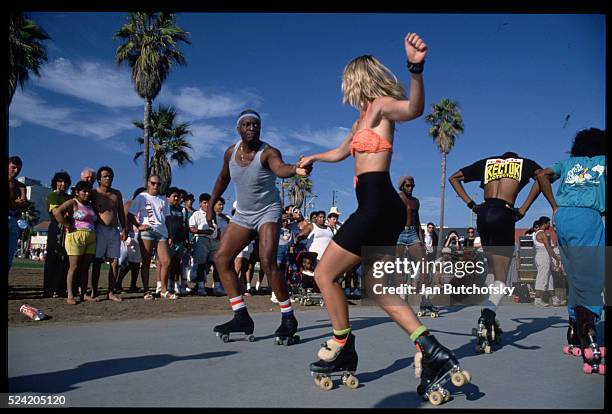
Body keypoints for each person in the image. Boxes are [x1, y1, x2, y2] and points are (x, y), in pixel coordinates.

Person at [298, 33, 469, 399]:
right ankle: (429, 347)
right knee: (377, 286)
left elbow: (414, 109)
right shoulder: (362, 119)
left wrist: (416, 69)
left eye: (347, 80)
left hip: (376, 203)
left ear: (358, 79)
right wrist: (313, 158)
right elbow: (343, 152)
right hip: (380, 205)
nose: (345, 87)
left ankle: (341, 343)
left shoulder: (380, 104)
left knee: (324, 274)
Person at [208, 109, 310, 344]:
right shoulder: (230, 153)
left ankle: (288, 317)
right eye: (247, 125)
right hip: (243, 215)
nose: (252, 128)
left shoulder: (268, 152)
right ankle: (241, 316)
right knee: (221, 259)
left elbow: (280, 168)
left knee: (267, 261)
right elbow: (223, 177)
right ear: (238, 129)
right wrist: (212, 201)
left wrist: (295, 169)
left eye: (256, 125)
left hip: (268, 211)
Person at [449, 150, 542, 354]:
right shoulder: (524, 163)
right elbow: (543, 177)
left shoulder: (488, 163)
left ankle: (488, 316)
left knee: (492, 270)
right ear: (515, 160)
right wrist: (524, 208)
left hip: (483, 213)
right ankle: (488, 315)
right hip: (504, 212)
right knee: (501, 277)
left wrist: (472, 205)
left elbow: (453, 178)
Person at [536, 128, 606, 374]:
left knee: (575, 275)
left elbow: (541, 174)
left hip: (563, 217)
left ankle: (574, 331)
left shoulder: (566, 164)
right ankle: (589, 333)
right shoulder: (602, 162)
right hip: (588, 216)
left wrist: (554, 206)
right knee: (592, 275)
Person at [396, 175, 438, 315]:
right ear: (402, 186)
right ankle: (403, 300)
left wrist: (420, 239)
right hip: (399, 233)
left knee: (424, 263)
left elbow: (417, 220)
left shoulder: (416, 202)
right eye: (408, 185)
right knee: (399, 266)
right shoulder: (397, 198)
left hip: (413, 234)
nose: (411, 188)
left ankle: (425, 300)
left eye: (413, 186)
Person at [128, 175, 175, 300]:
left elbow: (168, 218)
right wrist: (138, 225)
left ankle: (164, 290)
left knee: (166, 261)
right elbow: (130, 214)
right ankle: (146, 290)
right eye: (153, 183)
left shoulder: (163, 199)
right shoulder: (141, 197)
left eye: (158, 184)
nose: (155, 186)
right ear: (148, 183)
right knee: (146, 261)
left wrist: (170, 234)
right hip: (147, 232)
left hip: (162, 233)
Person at [53, 181, 97, 304]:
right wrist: (67, 224)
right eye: (84, 191)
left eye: (89, 191)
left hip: (91, 236)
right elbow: (57, 212)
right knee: (74, 266)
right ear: (77, 192)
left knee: (85, 267)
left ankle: (83, 294)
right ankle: (70, 295)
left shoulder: (90, 204)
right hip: (76, 235)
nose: (87, 194)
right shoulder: (73, 202)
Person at [90, 166, 126, 302]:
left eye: (110, 176)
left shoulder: (117, 194)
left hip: (114, 230)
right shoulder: (94, 193)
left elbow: (121, 212)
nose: (108, 178)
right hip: (99, 229)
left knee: (114, 262)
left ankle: (111, 292)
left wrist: (124, 229)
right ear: (99, 179)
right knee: (97, 261)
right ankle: (94, 290)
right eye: (105, 176)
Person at [43, 171, 71, 297]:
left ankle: (60, 288)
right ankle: (49, 289)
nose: (62, 184)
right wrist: (66, 224)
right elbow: (56, 213)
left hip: (68, 230)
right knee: (53, 258)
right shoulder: (52, 196)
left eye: (65, 182)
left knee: (65, 260)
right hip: (56, 227)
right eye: (60, 181)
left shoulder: (68, 197)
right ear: (55, 183)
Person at [115, 187, 145, 293]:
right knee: (126, 262)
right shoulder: (129, 203)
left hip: (141, 235)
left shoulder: (145, 205)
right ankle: (117, 283)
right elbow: (124, 218)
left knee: (136, 263)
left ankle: (133, 285)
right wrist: (125, 232)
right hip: (130, 235)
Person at [188, 193, 216, 296]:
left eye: (209, 203)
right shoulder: (196, 214)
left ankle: (216, 286)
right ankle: (200, 287)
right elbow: (192, 229)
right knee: (201, 264)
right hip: (201, 240)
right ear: (200, 204)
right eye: (205, 203)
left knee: (215, 264)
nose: (207, 205)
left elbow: (215, 229)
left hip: (213, 241)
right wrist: (204, 232)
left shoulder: (213, 214)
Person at [532, 216, 562, 307]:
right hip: (543, 257)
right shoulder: (542, 234)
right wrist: (556, 258)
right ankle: (537, 300)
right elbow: (548, 248)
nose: (549, 225)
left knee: (549, 279)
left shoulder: (536, 233)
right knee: (542, 278)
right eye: (548, 223)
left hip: (541, 256)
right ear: (544, 223)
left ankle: (554, 299)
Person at [166, 187, 189, 295]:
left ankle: (175, 284)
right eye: (174, 196)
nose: (176, 198)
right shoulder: (166, 208)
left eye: (178, 197)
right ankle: (165, 285)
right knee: (167, 264)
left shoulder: (182, 210)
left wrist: (186, 239)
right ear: (168, 197)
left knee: (176, 264)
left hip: (180, 241)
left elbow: (184, 226)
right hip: (168, 241)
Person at [8, 156, 28, 271]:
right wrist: (16, 203)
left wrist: (14, 203)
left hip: (14, 219)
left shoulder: (21, 186)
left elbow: (24, 204)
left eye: (18, 169)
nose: (15, 171)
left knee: (9, 254)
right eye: (13, 167)